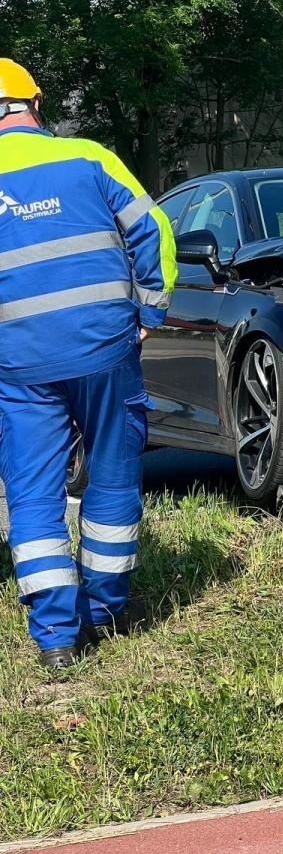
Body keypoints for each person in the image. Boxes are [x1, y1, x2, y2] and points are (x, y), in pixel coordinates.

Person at [0, 59, 177, 669]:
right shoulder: (88, 157)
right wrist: (150, 310)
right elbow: (151, 228)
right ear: (35, 106)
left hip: (17, 361)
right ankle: (103, 611)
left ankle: (55, 639)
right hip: (104, 347)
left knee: (31, 493)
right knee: (112, 473)